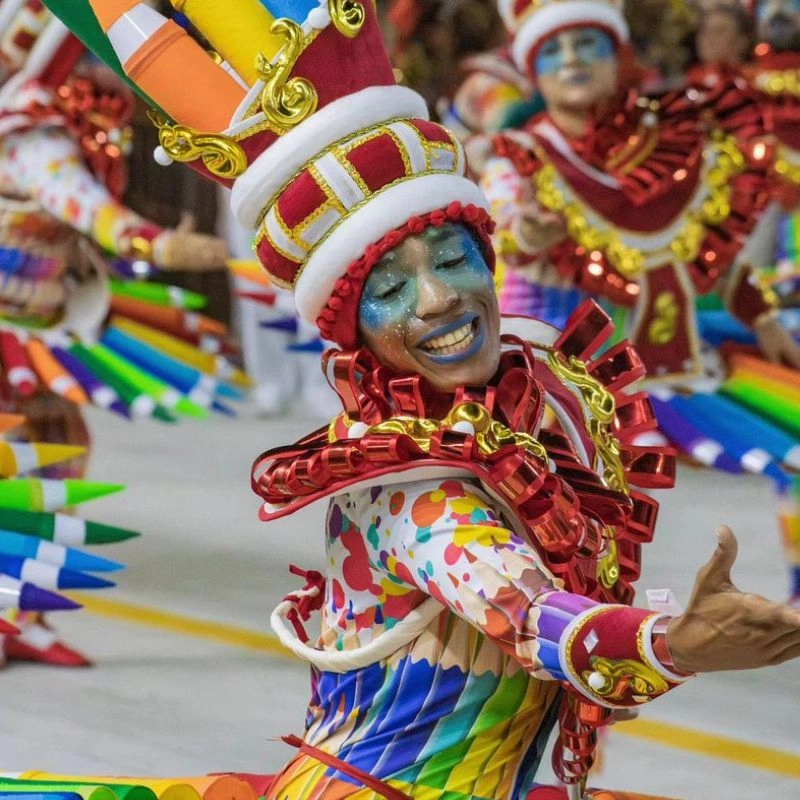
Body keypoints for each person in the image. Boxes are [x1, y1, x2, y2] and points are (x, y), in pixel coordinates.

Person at [37, 1, 800, 798]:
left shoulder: (544, 398)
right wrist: (674, 640)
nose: (438, 299)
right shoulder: (411, 486)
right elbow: (530, 613)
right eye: (391, 287)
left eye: (452, 256)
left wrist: (669, 627)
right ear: (350, 329)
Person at [0, 1, 232, 666]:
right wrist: (160, 248)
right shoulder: (32, 132)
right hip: (10, 331)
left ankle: (25, 616)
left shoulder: (67, 128)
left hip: (36, 324)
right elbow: (85, 208)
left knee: (59, 453)